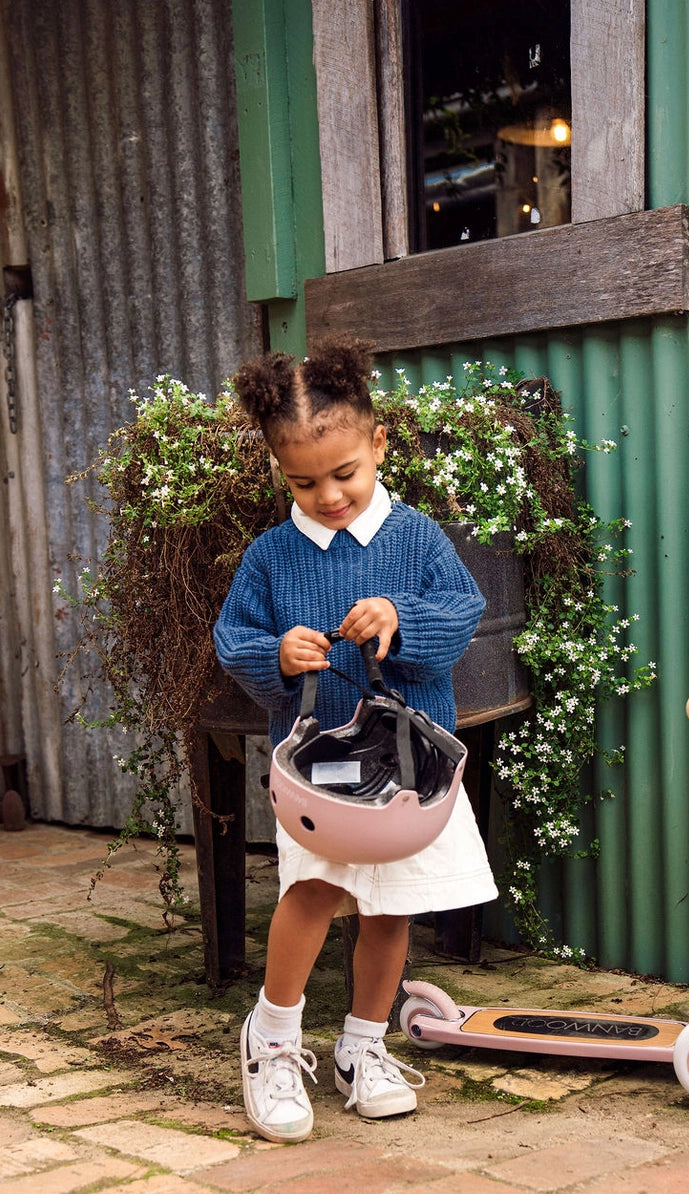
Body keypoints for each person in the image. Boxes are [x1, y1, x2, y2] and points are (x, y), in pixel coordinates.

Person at [213, 336, 498, 1142]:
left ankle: (363, 1047)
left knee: (391, 909)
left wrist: (402, 619)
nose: (328, 495)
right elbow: (231, 635)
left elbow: (462, 614)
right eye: (303, 481)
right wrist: (274, 653)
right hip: (317, 777)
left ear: (378, 444)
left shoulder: (415, 538)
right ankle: (272, 1038)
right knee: (316, 893)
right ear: (279, 471)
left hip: (405, 769)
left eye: (344, 474)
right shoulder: (271, 557)